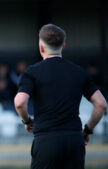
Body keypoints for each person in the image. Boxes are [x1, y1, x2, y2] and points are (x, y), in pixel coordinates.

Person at [14, 24, 107, 169]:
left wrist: (27, 121)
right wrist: (87, 130)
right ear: (63, 46)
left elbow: (20, 102)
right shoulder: (79, 72)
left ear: (41, 47)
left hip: (46, 141)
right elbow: (101, 104)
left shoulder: (32, 72)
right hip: (74, 140)